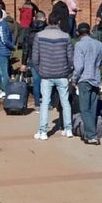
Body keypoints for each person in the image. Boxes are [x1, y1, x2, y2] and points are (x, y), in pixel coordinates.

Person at [31, 11, 74, 140]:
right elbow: (70, 58)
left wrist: (41, 70)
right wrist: (69, 71)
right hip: (62, 74)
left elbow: (35, 58)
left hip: (46, 75)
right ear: (59, 22)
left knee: (45, 102)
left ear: (48, 21)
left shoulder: (39, 36)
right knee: (65, 102)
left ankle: (43, 131)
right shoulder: (66, 36)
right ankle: (68, 129)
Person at [72, 22, 102, 145]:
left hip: (84, 79)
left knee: (84, 109)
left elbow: (79, 66)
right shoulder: (97, 44)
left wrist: (74, 79)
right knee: (92, 108)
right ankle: (90, 133)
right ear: (89, 31)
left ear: (78, 33)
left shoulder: (79, 45)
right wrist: (99, 64)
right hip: (95, 79)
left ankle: (91, 135)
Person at [20, 10, 47, 112]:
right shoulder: (46, 30)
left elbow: (25, 48)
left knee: (36, 82)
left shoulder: (28, 31)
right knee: (46, 82)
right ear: (44, 18)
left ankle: (37, 104)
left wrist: (23, 62)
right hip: (45, 59)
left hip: (33, 58)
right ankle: (46, 102)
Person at [0, 8, 15, 99]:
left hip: (2, 51)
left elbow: (4, 39)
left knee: (3, 72)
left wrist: (12, 47)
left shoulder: (1, 25)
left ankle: (6, 91)